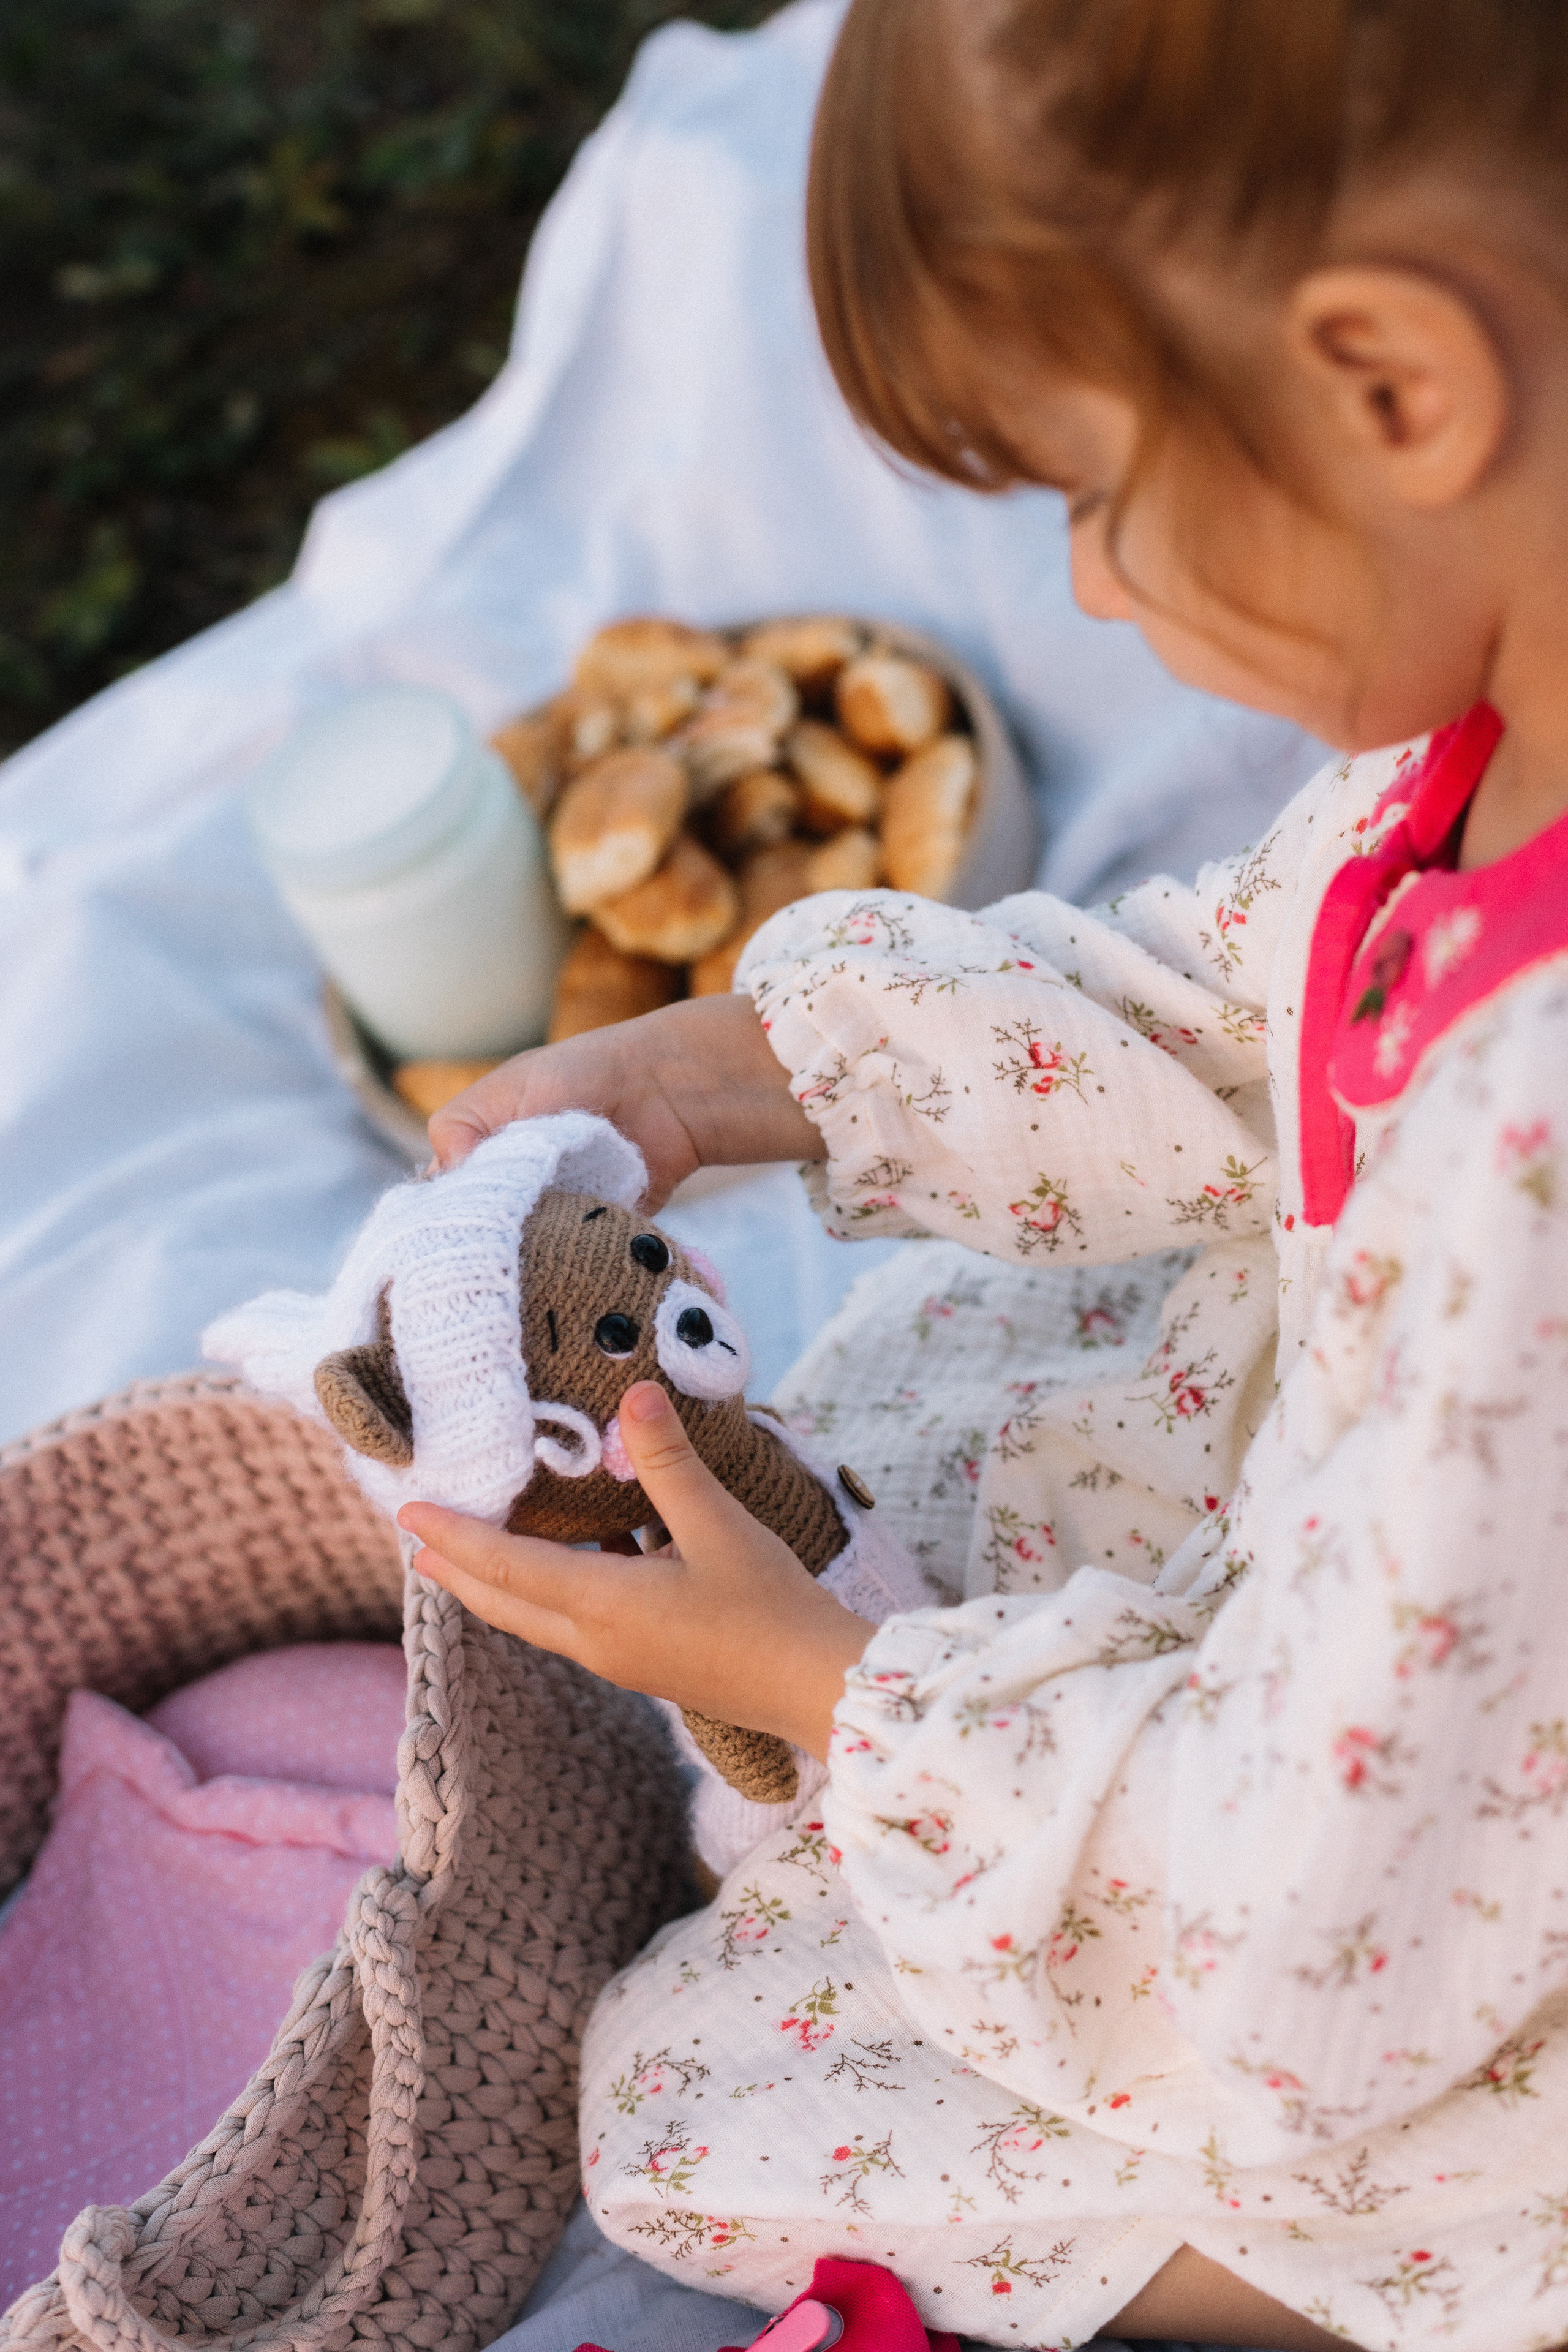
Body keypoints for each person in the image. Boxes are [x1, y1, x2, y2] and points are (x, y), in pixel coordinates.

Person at [396, 2, 1568, 2344]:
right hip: (1439, 1548)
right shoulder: (1507, 745)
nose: (1106, 599)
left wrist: (843, 1697)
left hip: (1429, 1920)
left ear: (1393, 388)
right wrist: (757, 1075)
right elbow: (1252, 1009)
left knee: (692, 2097)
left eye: (1092, 498)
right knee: (952, 1355)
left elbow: (1310, 1931)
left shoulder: (1535, 1170)